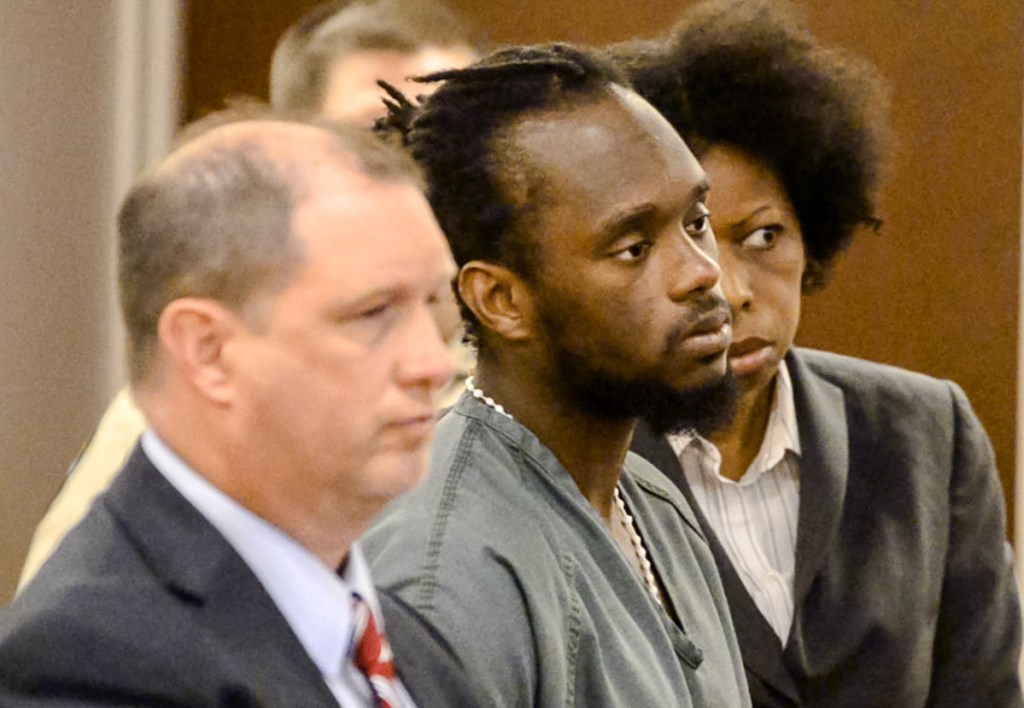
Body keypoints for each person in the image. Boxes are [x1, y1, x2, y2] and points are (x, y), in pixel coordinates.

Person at [609, 1, 1023, 705]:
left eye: (764, 236)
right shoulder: (587, 456)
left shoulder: (927, 433)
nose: (732, 290)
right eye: (697, 238)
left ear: (814, 233)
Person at [0, 118, 488, 707]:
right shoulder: (89, 659)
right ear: (209, 352)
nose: (432, 365)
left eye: (433, 304)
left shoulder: (408, 644)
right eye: (373, 313)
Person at [16, 0, 478, 592]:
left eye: (446, 131)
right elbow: (72, 609)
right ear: (294, 142)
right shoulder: (208, 388)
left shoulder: (517, 366)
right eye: (377, 130)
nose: (419, 160)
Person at [361, 43, 750, 707]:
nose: (703, 272)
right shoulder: (447, 572)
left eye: (697, 221)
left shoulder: (650, 500)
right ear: (501, 301)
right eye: (634, 247)